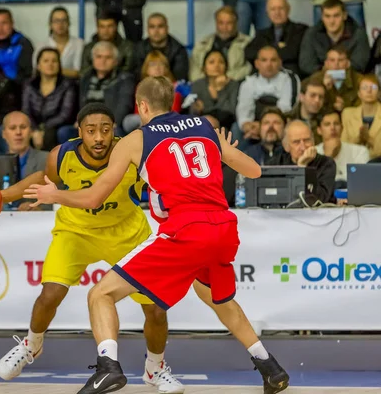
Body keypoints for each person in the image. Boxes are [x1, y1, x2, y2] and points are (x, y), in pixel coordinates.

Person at [24, 77, 290, 394]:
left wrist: (56, 196)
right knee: (219, 299)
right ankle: (269, 367)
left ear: (142, 107)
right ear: (173, 102)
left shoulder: (136, 139)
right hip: (223, 228)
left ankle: (108, 367)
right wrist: (227, 152)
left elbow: (94, 197)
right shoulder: (204, 125)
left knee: (100, 294)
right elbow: (255, 172)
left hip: (185, 229)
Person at [0, 103, 186, 394]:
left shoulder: (131, 151)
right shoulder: (62, 155)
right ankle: (31, 345)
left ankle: (155, 368)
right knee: (50, 294)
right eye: (91, 131)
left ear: (114, 132)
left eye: (105, 130)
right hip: (75, 230)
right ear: (80, 131)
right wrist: (4, 195)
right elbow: (44, 180)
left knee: (156, 309)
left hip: (126, 232)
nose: (99, 138)